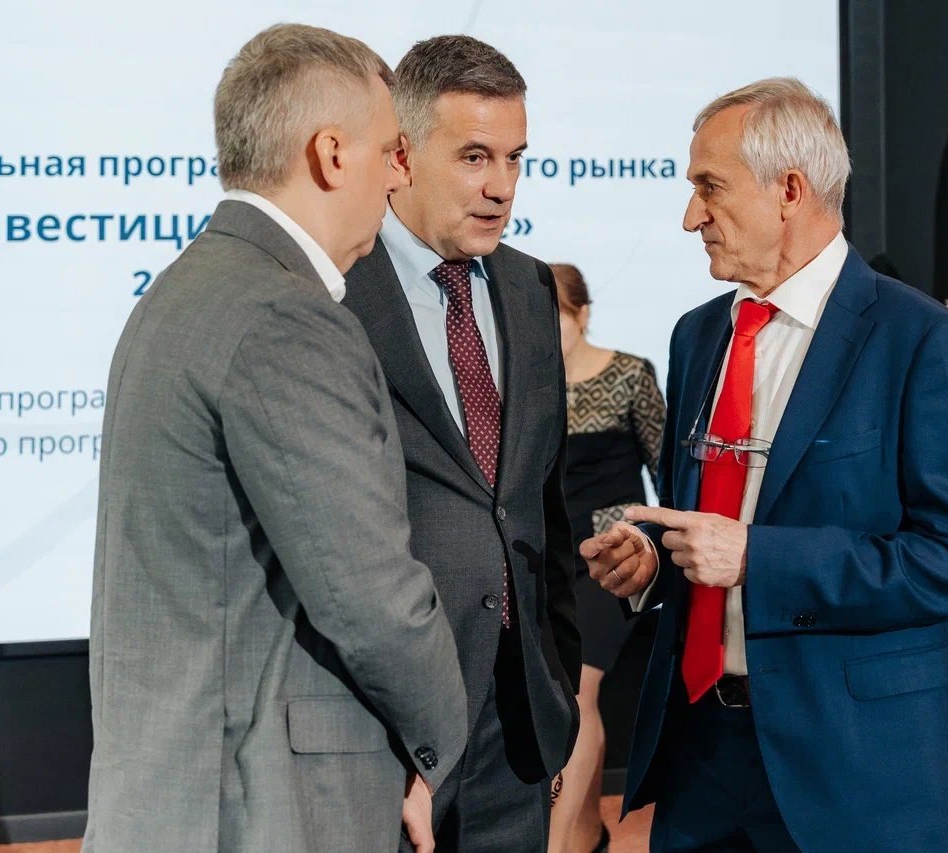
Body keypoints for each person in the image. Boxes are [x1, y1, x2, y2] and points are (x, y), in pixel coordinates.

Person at [581, 77, 948, 851]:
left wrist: (759, 557)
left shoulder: (920, 340)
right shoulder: (697, 335)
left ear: (789, 190)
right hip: (703, 758)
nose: (690, 217)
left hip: (860, 769)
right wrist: (655, 560)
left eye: (710, 187)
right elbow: (707, 523)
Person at [83, 24, 466, 853]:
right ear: (331, 154)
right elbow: (372, 596)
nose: (400, 176)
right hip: (260, 809)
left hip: (187, 795)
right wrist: (442, 745)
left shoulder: (186, 289)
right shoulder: (285, 317)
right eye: (391, 151)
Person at [342, 35, 579, 852]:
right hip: (385, 735)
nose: (501, 187)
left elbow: (542, 508)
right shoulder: (334, 288)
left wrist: (555, 694)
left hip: (518, 729)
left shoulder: (530, 285)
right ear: (402, 156)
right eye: (475, 157)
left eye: (515, 159)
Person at [546, 263, 665, 853]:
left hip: (610, 561)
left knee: (577, 695)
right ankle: (587, 832)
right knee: (558, 696)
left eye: (557, 319)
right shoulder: (528, 386)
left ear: (583, 314)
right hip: (547, 561)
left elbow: (667, 470)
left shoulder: (629, 374)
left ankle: (560, 846)